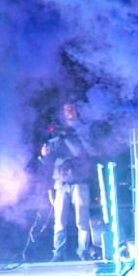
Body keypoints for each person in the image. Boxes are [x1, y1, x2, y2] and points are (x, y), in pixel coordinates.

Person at [39, 102, 96, 261]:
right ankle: (58, 253)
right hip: (61, 182)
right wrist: (45, 154)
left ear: (77, 110)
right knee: (59, 221)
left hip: (80, 180)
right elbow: (49, 159)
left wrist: (67, 137)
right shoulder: (56, 131)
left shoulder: (83, 128)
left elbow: (83, 151)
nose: (68, 112)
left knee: (81, 220)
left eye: (71, 108)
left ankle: (83, 251)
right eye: (66, 109)